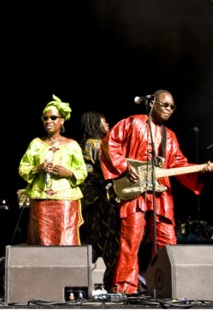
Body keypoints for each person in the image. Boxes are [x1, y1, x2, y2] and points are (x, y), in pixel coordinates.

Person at [99, 89, 213, 294]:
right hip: (135, 191)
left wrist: (201, 170)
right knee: (131, 240)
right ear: (152, 103)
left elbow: (178, 164)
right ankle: (124, 289)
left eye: (173, 107)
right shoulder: (133, 123)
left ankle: (167, 285)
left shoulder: (169, 136)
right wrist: (126, 167)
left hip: (160, 195)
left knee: (167, 240)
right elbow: (109, 143)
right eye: (165, 105)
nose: (169, 109)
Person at [19, 94, 88, 245]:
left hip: (66, 201)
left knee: (66, 240)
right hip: (41, 201)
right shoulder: (35, 144)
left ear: (62, 120)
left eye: (53, 117)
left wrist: (68, 173)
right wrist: (38, 168)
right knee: (41, 241)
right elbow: (23, 168)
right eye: (45, 118)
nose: (48, 121)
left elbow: (82, 172)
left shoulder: (72, 144)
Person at [79, 111, 120, 291]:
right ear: (95, 124)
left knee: (92, 243)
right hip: (102, 203)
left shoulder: (84, 145)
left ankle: (78, 282)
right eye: (104, 122)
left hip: (89, 203)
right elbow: (106, 172)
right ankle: (113, 284)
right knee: (111, 244)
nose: (108, 124)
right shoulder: (96, 145)